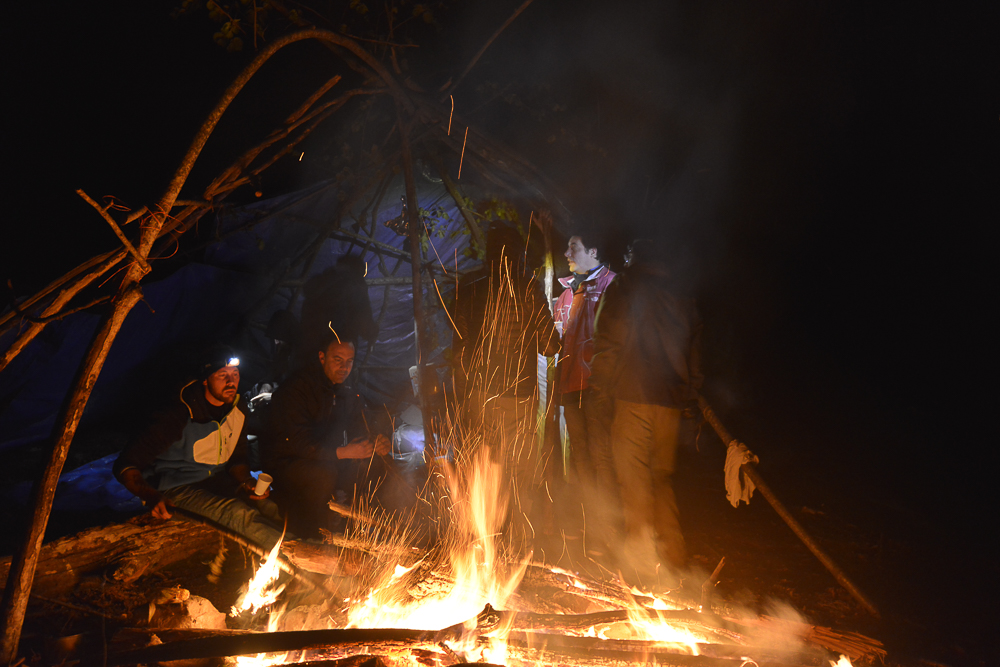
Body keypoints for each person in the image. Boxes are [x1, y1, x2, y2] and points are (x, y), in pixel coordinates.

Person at [590, 239, 703, 589]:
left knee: (634, 482)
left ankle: (641, 569)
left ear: (634, 258)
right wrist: (690, 396)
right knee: (662, 480)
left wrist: (600, 390)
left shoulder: (624, 289)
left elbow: (609, 341)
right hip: (670, 402)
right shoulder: (683, 294)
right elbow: (695, 353)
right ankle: (673, 560)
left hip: (633, 397)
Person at [113, 347, 284, 550]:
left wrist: (247, 480)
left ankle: (312, 547)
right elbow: (126, 464)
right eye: (223, 375)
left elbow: (237, 458)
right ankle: (293, 557)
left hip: (216, 479)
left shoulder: (238, 409)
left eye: (235, 375)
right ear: (205, 379)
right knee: (237, 514)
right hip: (176, 487)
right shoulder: (179, 412)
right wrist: (150, 495)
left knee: (269, 505)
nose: (231, 382)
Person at [452, 221, 559, 519]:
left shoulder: (470, 293)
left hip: (480, 398)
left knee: (484, 472)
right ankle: (518, 543)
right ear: (517, 255)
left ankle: (484, 543)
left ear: (488, 256)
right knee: (519, 474)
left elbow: (458, 356)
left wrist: (466, 399)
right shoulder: (528, 291)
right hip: (519, 398)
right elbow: (551, 345)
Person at [262, 334, 391, 538]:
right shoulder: (297, 388)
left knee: (376, 462)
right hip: (287, 460)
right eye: (337, 359)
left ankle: (361, 531)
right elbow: (300, 443)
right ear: (322, 357)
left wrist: (375, 440)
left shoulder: (346, 389)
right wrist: (343, 452)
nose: (344, 367)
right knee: (323, 474)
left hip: (327, 454)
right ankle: (314, 536)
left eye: (349, 361)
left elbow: (360, 422)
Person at [553, 231, 616, 533]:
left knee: (602, 456)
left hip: (597, 387)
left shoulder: (610, 286)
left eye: (573, 247)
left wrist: (604, 380)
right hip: (570, 387)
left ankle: (609, 528)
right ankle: (588, 524)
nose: (567, 253)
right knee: (579, 456)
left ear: (592, 251)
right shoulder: (566, 293)